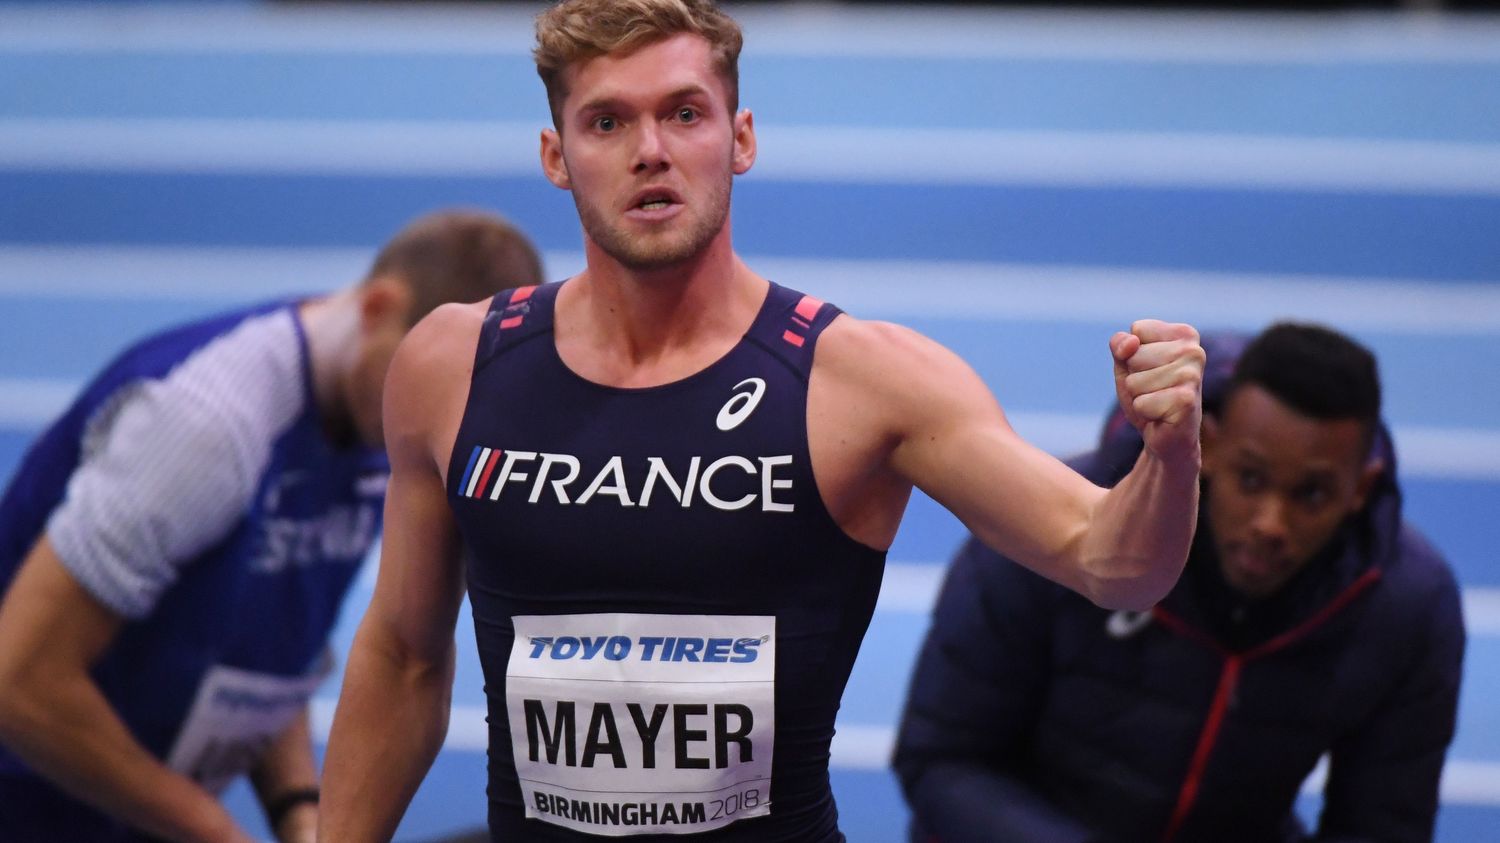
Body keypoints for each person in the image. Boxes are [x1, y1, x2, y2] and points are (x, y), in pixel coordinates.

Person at [317, 1, 1207, 840]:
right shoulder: (453, 367)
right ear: (556, 156)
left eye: (685, 114)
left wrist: (1168, 455)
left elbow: (1113, 562)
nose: (651, 150)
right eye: (607, 122)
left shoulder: (864, 382)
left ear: (740, 138)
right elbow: (402, 657)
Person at [0, 209, 545, 843]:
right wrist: (216, 831)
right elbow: (18, 682)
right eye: (429, 375)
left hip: (128, 807)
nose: (441, 408)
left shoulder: (380, 410)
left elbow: (265, 643)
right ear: (377, 309)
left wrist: (297, 810)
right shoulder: (210, 425)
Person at [893, 324, 1466, 843]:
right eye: (1250, 478)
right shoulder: (1052, 520)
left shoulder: (1407, 606)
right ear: (1209, 446)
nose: (1271, 523)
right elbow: (943, 759)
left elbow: (1381, 828)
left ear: (1361, 490)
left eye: (1310, 495)